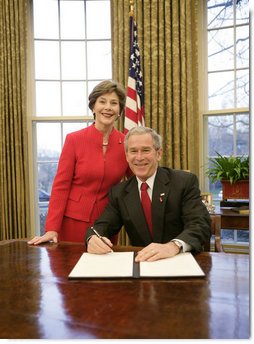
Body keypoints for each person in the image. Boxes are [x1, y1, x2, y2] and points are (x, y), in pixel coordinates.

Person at [85, 126, 211, 262]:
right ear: (127, 156)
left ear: (158, 153)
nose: (139, 157)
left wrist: (173, 246)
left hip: (180, 260)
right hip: (143, 263)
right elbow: (101, 226)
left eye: (146, 150)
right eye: (133, 151)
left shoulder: (184, 182)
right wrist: (92, 238)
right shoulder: (119, 192)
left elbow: (200, 225)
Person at [28, 80, 131, 245]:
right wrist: (51, 228)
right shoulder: (74, 139)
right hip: (72, 221)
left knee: (105, 269)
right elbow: (61, 186)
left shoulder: (126, 143)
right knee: (71, 268)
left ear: (119, 110)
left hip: (107, 223)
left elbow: (136, 183)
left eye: (114, 103)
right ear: (93, 107)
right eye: (102, 101)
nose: (108, 107)